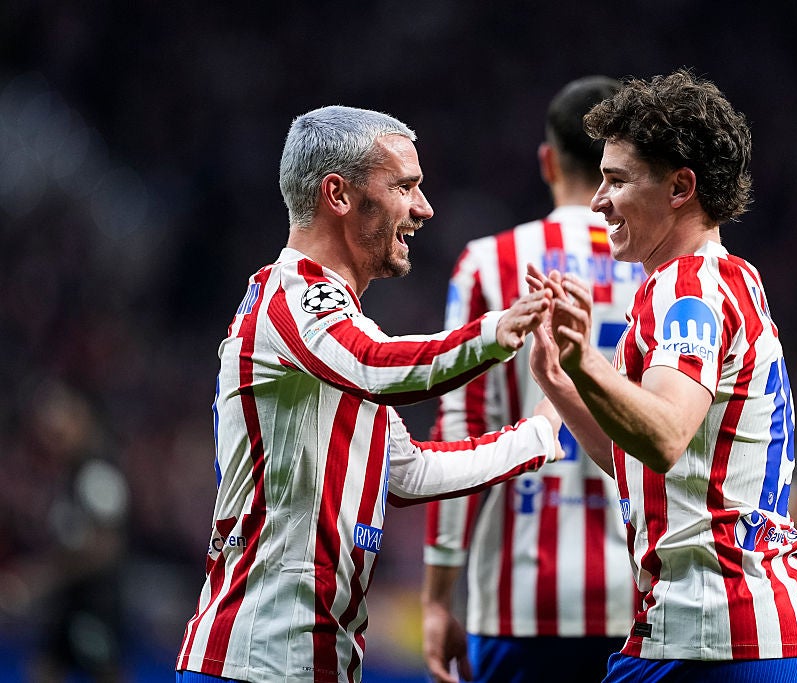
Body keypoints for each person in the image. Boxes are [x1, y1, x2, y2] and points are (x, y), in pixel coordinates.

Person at [175, 105, 565, 683]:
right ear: (338, 194)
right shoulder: (293, 300)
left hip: (313, 663)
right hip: (258, 664)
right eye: (404, 187)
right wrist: (495, 331)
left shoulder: (333, 334)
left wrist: (540, 433)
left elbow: (405, 472)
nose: (423, 208)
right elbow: (376, 365)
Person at [528, 69, 797, 682]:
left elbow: (666, 434)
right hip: (789, 637)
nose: (598, 200)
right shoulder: (732, 277)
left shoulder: (686, 289)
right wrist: (563, 383)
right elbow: (638, 455)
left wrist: (585, 358)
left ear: (680, 187)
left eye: (618, 180)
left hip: (709, 633)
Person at [421, 76, 645, 683]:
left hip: (520, 596)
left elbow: (459, 429)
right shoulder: (662, 269)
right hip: (645, 594)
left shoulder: (488, 263)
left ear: (548, 161)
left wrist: (438, 596)